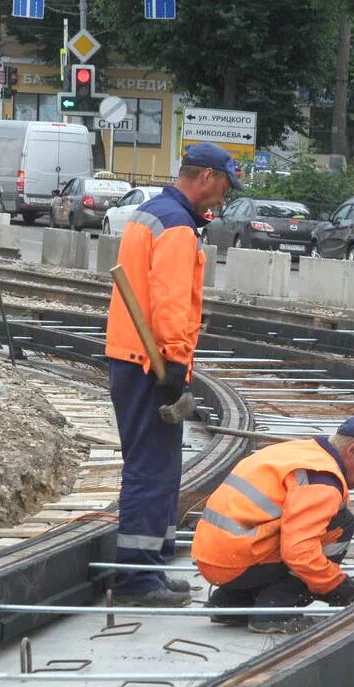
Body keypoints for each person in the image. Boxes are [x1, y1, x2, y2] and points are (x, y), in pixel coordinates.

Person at [104, 143, 240, 607]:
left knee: (161, 467)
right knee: (151, 470)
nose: (223, 197)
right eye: (223, 186)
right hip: (150, 362)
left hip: (132, 355)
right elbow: (170, 301)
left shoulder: (153, 213)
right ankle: (137, 581)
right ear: (205, 177)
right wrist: (176, 362)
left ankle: (153, 568)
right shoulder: (178, 226)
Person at [191, 414, 354, 633]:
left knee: (296, 530)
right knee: (341, 524)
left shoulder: (298, 452)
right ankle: (275, 612)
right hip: (239, 562)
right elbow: (300, 553)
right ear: (353, 449)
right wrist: (340, 588)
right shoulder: (321, 479)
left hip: (214, 558)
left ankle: (232, 601)